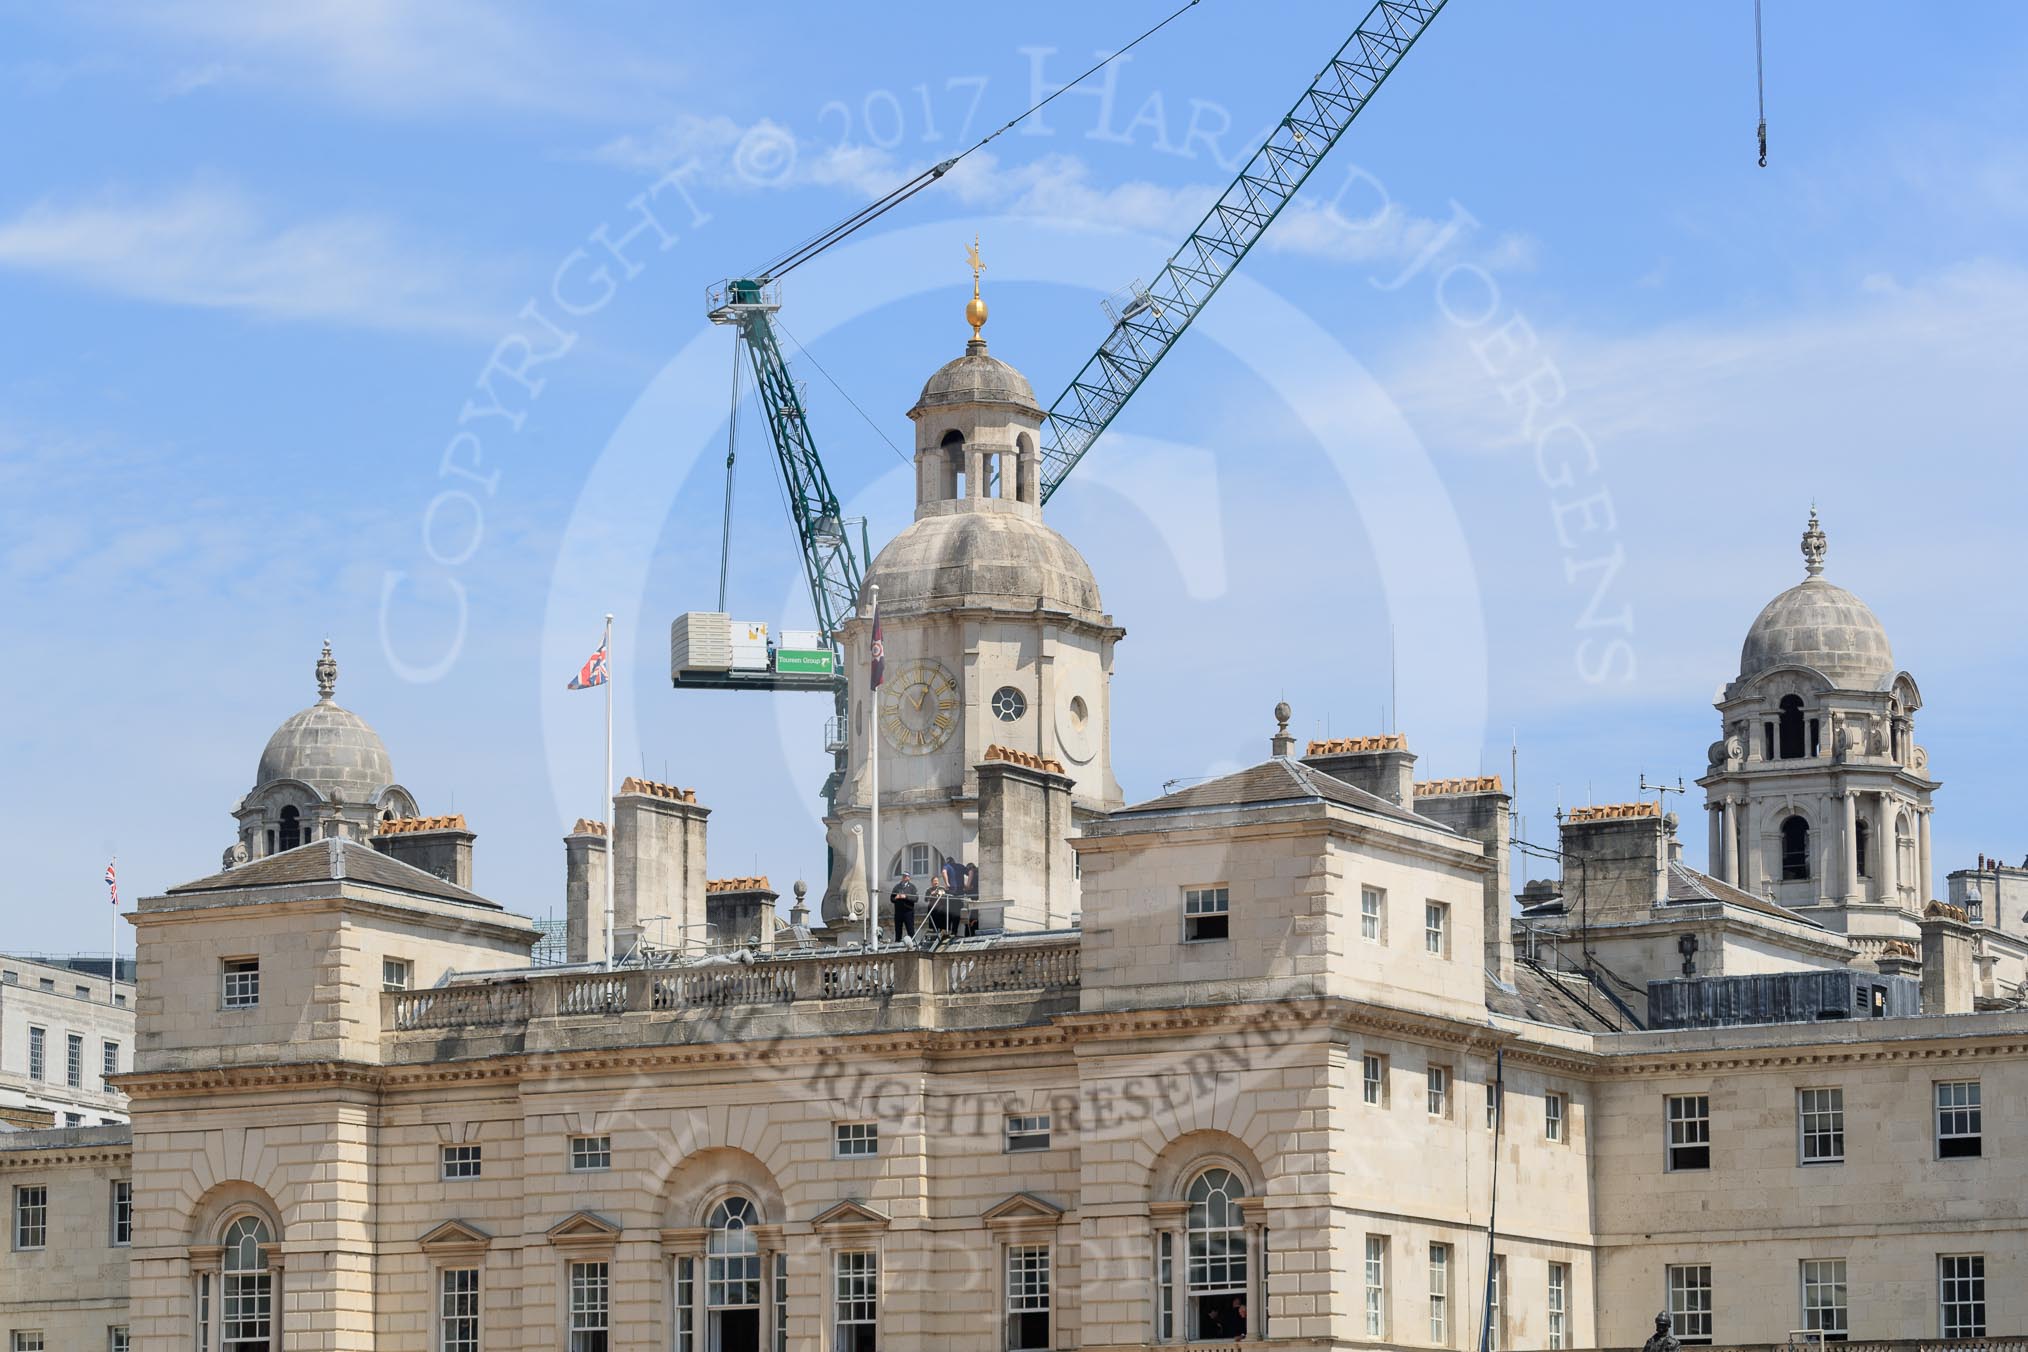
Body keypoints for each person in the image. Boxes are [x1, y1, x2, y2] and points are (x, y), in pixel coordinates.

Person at [889, 872, 917, 942]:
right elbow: (892, 899)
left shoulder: (912, 887)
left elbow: (915, 898)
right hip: (898, 912)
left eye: (906, 876)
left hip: (908, 911)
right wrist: (896, 897)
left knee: (910, 929)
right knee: (898, 930)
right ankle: (897, 942)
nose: (905, 877)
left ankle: (912, 942)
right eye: (903, 876)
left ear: (909, 878)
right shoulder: (897, 887)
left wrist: (906, 897)